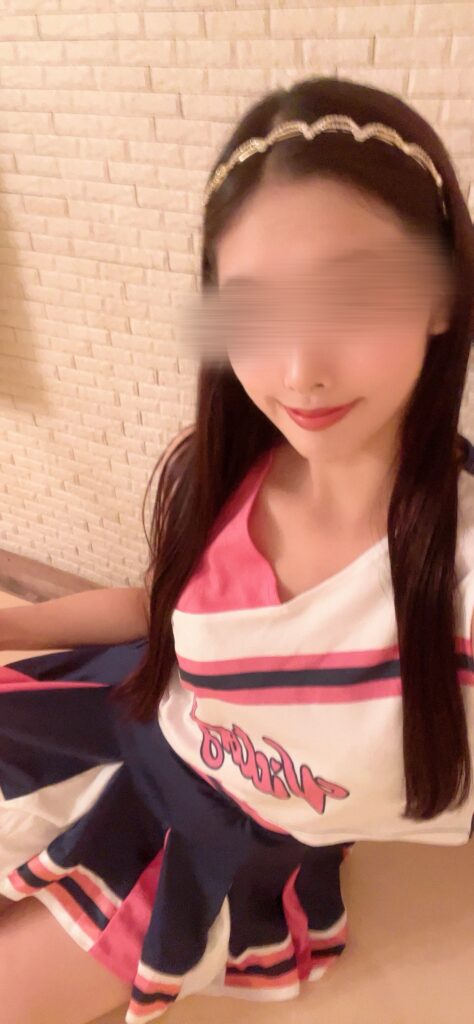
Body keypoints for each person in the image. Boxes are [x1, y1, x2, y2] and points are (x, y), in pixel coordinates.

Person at [1, 75, 473, 1024]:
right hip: (119, 716)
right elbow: (162, 608)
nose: (299, 370)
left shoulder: (453, 575)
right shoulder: (217, 471)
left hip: (213, 848)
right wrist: (11, 626)